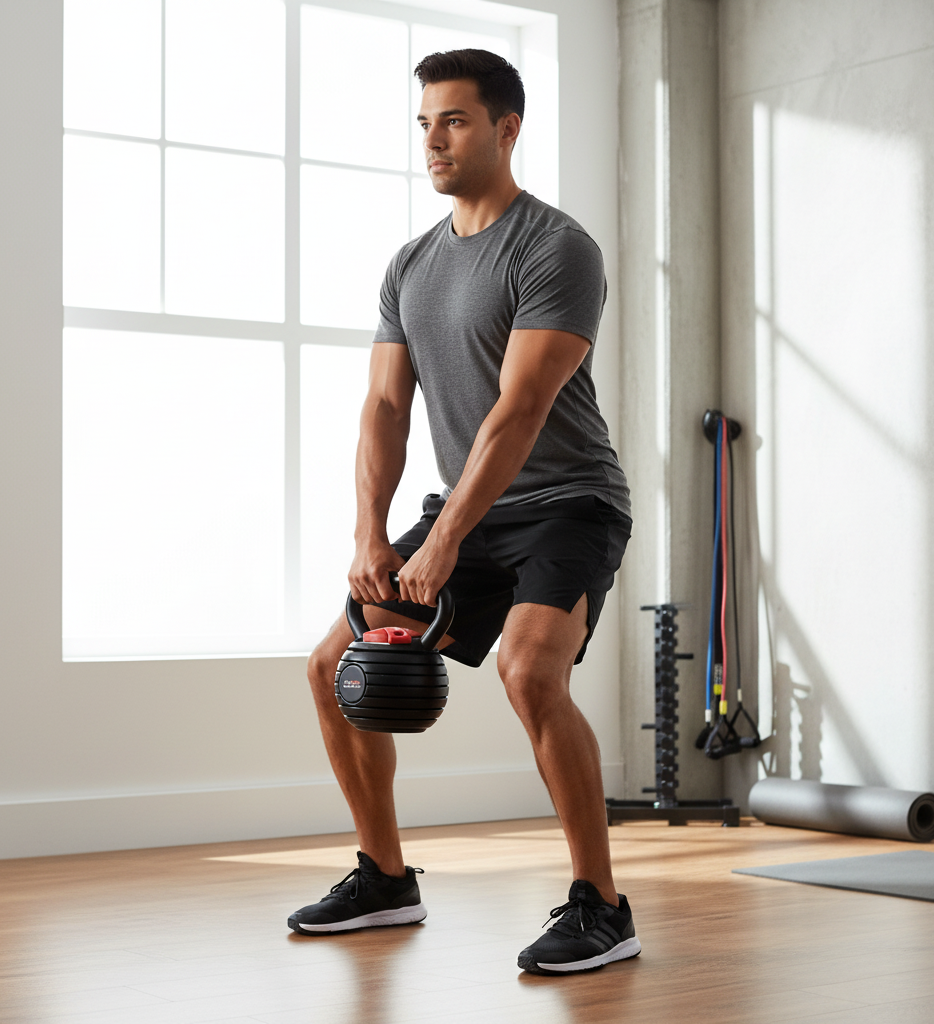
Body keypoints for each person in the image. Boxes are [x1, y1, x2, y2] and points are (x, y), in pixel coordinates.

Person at [288, 49, 639, 976]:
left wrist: (442, 542)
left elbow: (519, 411)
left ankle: (602, 905)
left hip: (569, 503)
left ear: (505, 128)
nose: (434, 141)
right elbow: (386, 408)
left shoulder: (556, 247)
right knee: (334, 665)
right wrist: (372, 529)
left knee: (530, 671)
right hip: (467, 509)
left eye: (454, 121)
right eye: (425, 124)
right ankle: (386, 879)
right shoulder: (411, 264)